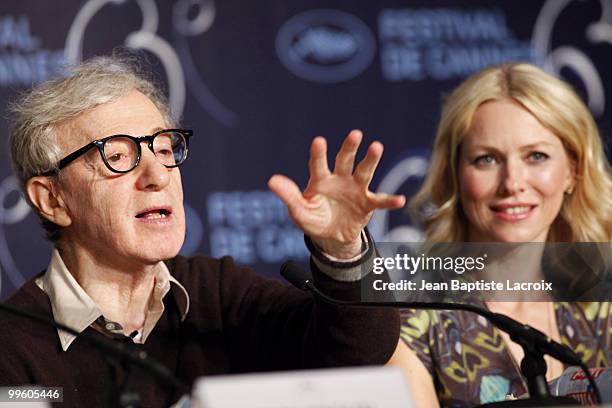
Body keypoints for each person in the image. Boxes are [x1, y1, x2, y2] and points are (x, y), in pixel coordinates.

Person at [0, 55, 405, 407]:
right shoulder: (12, 348)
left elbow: (355, 351)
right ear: (53, 199)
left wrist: (343, 248)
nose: (157, 175)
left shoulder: (217, 292)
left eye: (163, 149)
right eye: (118, 155)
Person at [386, 62, 612, 407]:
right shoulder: (411, 329)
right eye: (486, 159)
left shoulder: (602, 312)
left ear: (572, 172)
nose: (512, 184)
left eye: (536, 156)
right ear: (455, 175)